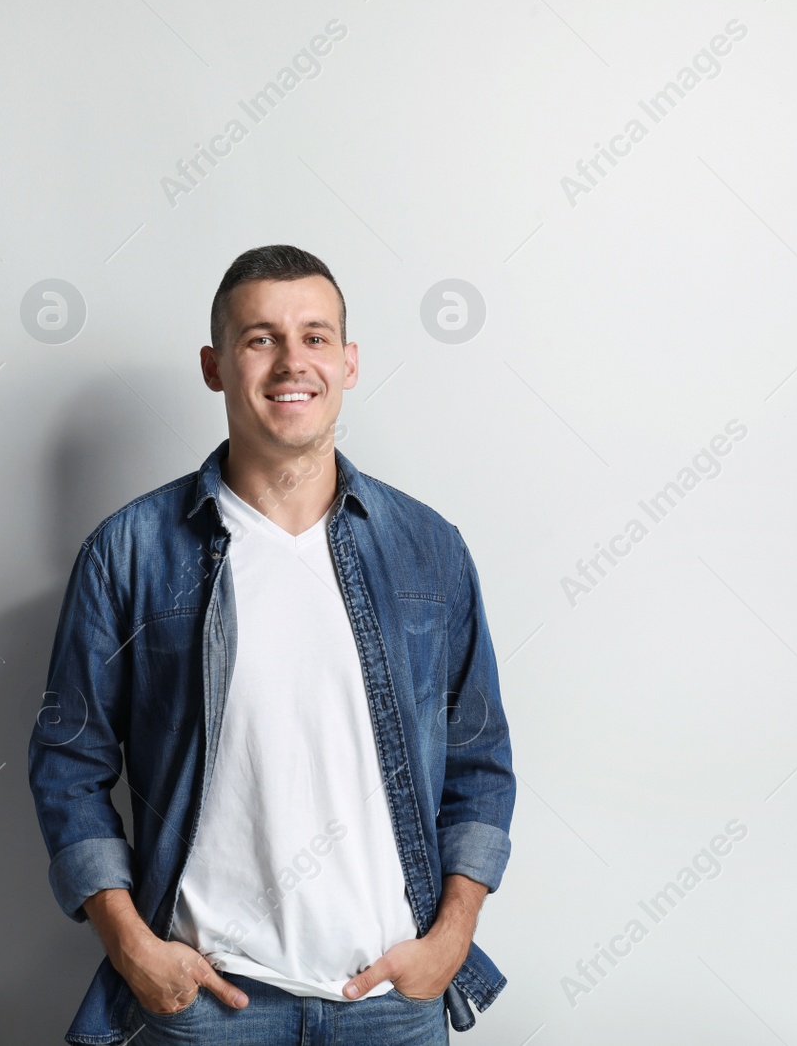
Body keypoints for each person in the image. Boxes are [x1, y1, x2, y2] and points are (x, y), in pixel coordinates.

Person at [28, 244, 516, 1045]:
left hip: (392, 1005)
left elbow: (480, 760)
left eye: (315, 336)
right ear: (214, 365)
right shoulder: (129, 553)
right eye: (261, 338)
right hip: (210, 1006)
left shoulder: (429, 550)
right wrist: (133, 947)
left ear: (349, 361)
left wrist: (450, 939)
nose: (293, 361)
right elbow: (68, 759)